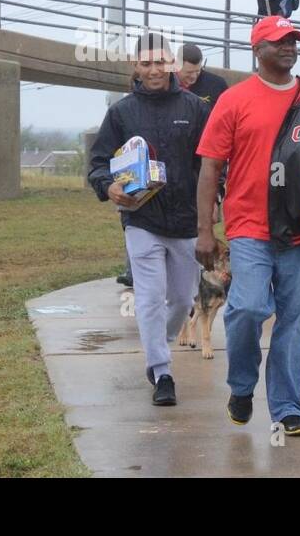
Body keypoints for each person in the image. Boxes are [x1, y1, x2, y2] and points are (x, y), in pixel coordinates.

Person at [195, 16, 300, 436]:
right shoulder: (234, 100)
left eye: (293, 40)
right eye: (279, 40)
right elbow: (210, 166)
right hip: (249, 227)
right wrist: (205, 230)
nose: (289, 46)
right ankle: (242, 386)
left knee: (294, 319)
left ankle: (287, 408)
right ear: (257, 49)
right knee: (247, 308)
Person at [88, 32, 209, 407]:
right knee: (151, 297)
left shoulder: (195, 108)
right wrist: (108, 187)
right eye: (146, 63)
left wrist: (213, 203)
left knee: (182, 299)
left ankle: (162, 343)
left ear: (172, 63)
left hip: (187, 220)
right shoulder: (121, 113)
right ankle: (161, 371)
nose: (154, 70)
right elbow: (98, 163)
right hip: (141, 219)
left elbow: (211, 163)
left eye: (161, 62)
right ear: (134, 66)